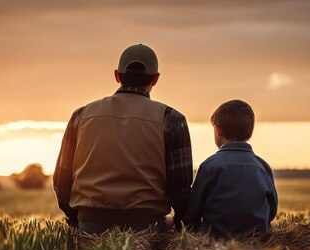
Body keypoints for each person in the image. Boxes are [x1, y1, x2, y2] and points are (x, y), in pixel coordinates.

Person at [53, 44, 193, 235]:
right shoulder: (172, 120)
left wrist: (76, 218)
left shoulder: (81, 115)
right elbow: (180, 189)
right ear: (156, 78)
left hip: (90, 224)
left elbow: (62, 181)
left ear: (117, 76)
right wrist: (182, 224)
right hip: (148, 226)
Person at [182, 100, 277, 239]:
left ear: (218, 129)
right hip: (257, 241)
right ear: (250, 131)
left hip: (215, 241)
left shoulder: (209, 166)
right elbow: (272, 210)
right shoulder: (263, 167)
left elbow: (192, 212)